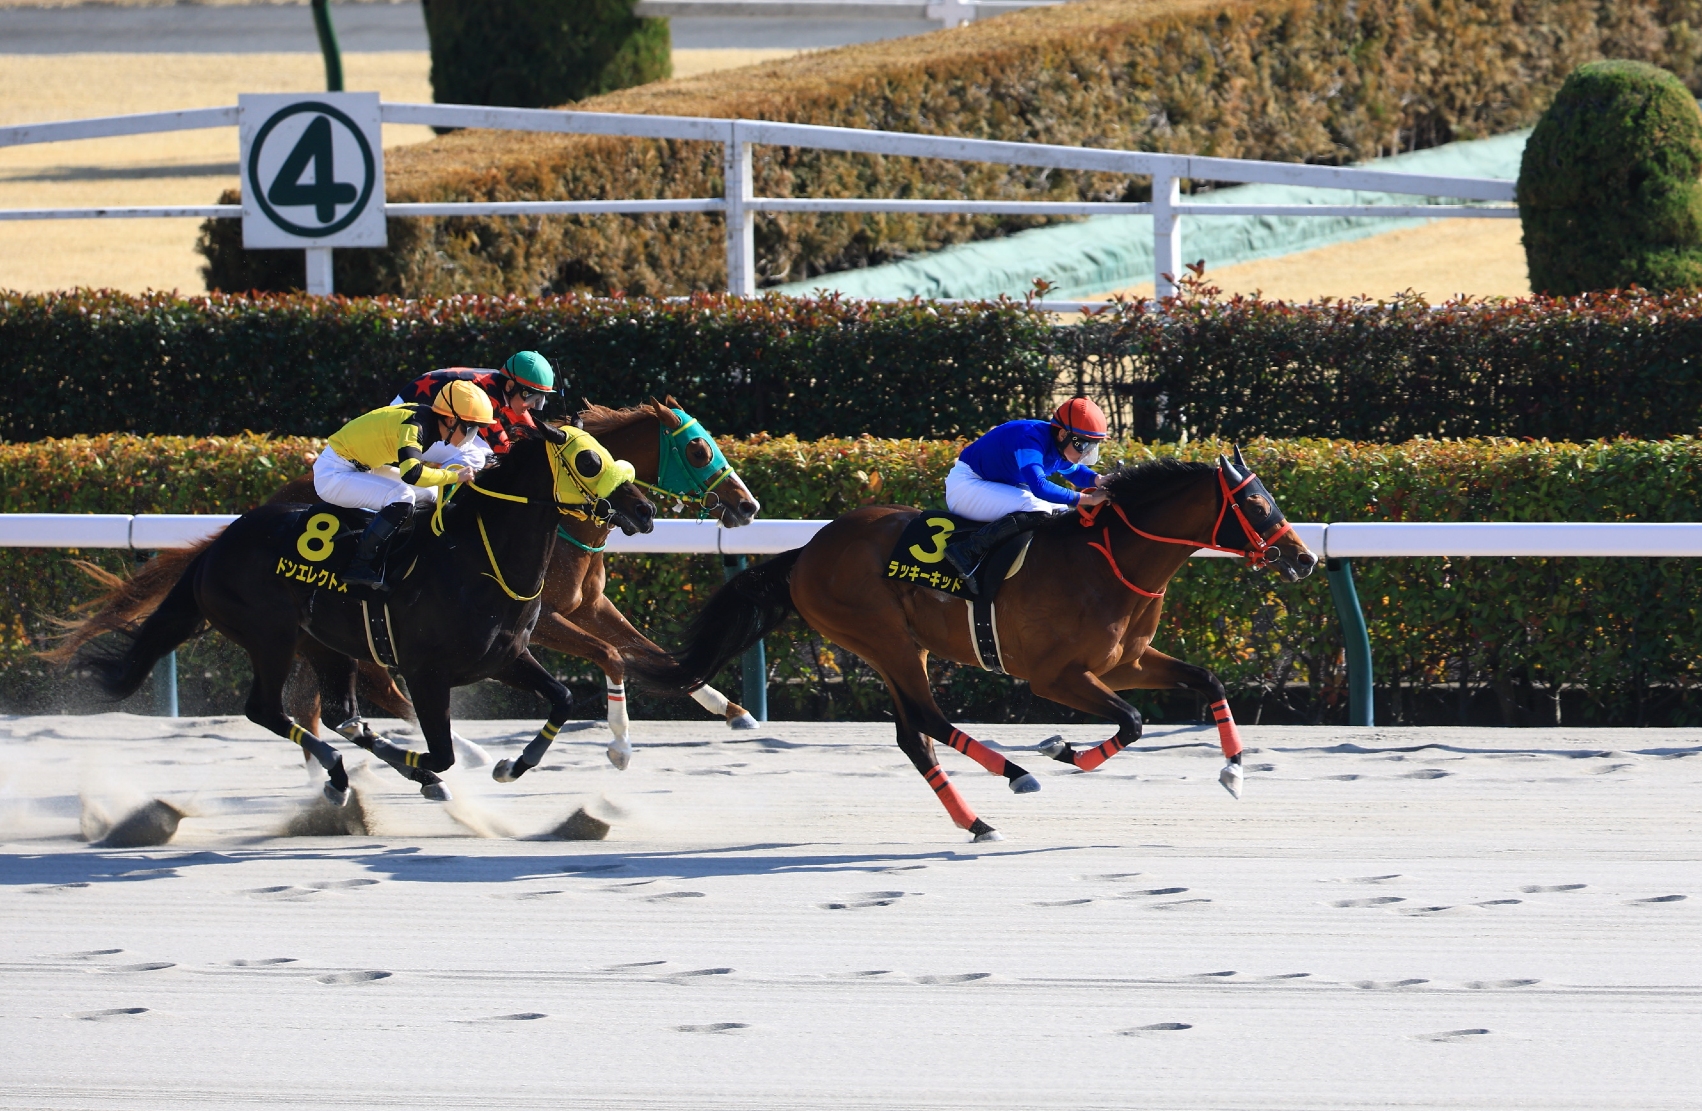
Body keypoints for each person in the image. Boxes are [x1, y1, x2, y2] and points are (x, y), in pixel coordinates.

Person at [314, 381, 493, 588]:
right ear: (451, 420)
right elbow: (412, 473)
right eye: (470, 429)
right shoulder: (415, 426)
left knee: (431, 494)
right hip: (334, 474)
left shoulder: (429, 422)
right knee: (403, 495)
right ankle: (359, 565)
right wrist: (454, 476)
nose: (471, 438)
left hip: (360, 466)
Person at [941, 396, 1111, 593]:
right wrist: (1088, 499)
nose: (1087, 453)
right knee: (1037, 508)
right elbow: (1039, 486)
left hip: (996, 484)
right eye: (1084, 445)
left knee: (1062, 512)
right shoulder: (1031, 438)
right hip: (967, 485)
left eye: (1093, 446)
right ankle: (967, 550)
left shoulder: (1060, 445)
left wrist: (1101, 480)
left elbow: (1075, 473)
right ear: (1063, 433)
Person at [391, 350, 560, 473]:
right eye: (531, 398)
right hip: (404, 424)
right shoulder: (486, 395)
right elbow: (502, 449)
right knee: (480, 458)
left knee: (482, 453)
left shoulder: (502, 387)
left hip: (418, 417)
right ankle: (435, 499)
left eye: (539, 399)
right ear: (510, 386)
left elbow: (528, 428)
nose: (532, 406)